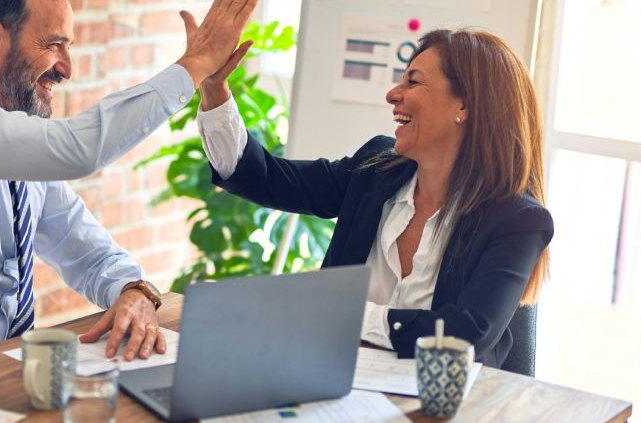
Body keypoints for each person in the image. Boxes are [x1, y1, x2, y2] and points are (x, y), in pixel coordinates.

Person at [0, 0, 257, 378]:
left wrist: (134, 291)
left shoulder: (23, 157)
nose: (67, 68)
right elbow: (77, 150)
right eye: (54, 44)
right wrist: (195, 64)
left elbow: (88, 252)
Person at [195, 28, 553, 368]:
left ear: (465, 106)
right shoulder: (375, 171)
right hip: (333, 383)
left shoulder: (517, 221)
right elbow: (264, 177)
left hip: (443, 408)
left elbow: (464, 335)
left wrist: (344, 314)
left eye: (413, 81)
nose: (393, 94)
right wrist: (214, 88)